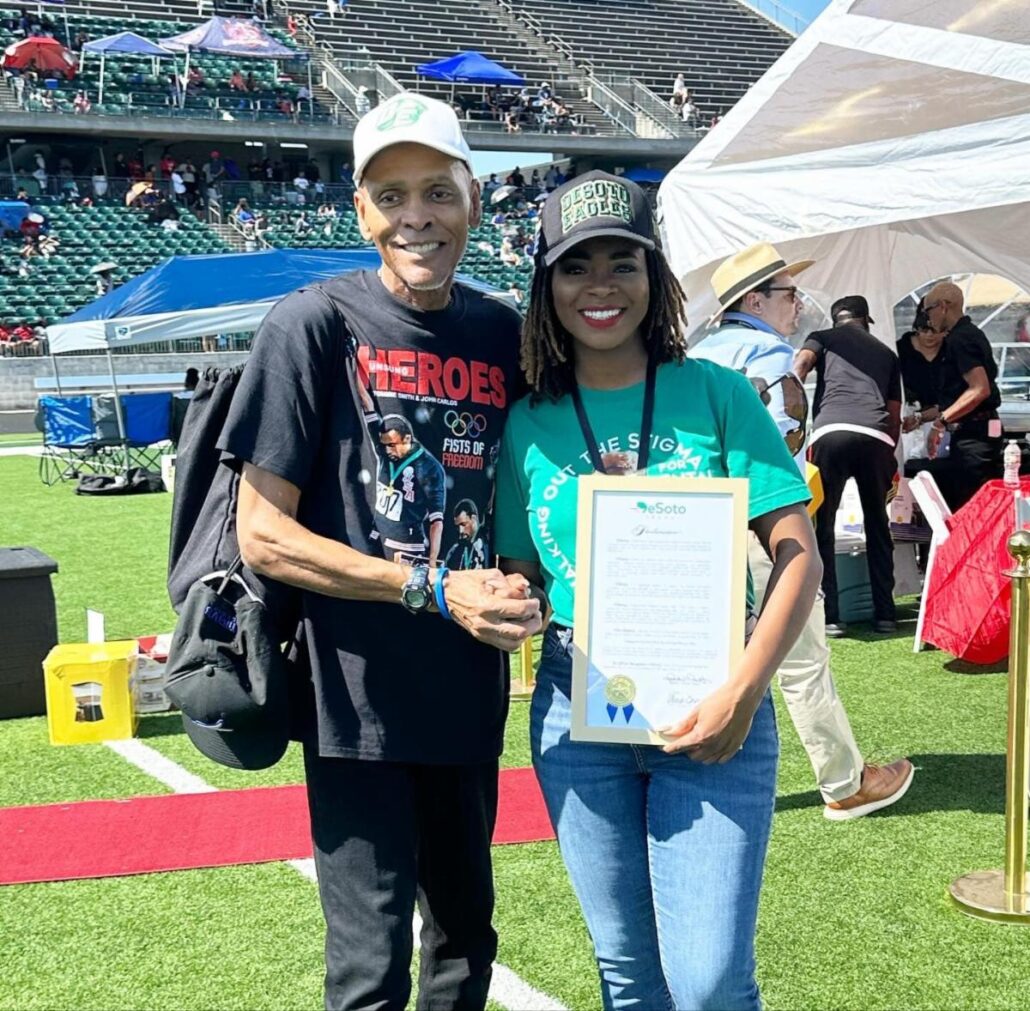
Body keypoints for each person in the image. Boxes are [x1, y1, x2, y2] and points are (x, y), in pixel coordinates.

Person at [221, 92, 540, 1011]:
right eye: (391, 195)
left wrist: (528, 579)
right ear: (361, 210)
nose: (416, 217)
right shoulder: (312, 324)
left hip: (468, 687)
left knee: (466, 942)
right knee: (368, 969)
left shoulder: (502, 334)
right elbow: (264, 534)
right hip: (354, 700)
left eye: (436, 191)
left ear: (473, 201)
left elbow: (522, 501)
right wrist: (435, 589)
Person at [494, 174, 821, 1009]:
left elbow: (798, 554)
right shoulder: (527, 420)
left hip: (715, 703)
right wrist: (510, 601)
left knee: (709, 981)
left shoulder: (717, 393)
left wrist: (746, 691)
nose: (599, 287)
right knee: (630, 976)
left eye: (623, 263)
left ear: (656, 278)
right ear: (546, 286)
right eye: (575, 267)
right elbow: (522, 569)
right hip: (578, 710)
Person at [693, 243, 915, 819]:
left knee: (711, 656)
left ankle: (699, 769)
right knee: (800, 657)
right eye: (789, 293)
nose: (798, 304)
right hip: (766, 520)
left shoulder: (694, 356)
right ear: (756, 300)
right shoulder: (770, 354)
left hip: (699, 520)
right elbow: (781, 442)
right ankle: (843, 783)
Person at [794, 295, 902, 636]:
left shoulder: (823, 338)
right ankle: (885, 615)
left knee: (822, 524)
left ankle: (831, 616)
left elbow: (801, 364)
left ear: (835, 319)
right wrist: (887, 453)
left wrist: (792, 407)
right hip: (876, 435)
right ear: (866, 320)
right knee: (877, 525)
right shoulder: (886, 353)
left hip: (831, 432)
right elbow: (895, 415)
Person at [917, 282, 1003, 509]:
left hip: (975, 436)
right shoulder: (969, 334)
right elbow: (960, 396)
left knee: (972, 504)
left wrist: (940, 423)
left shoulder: (960, 339)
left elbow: (978, 389)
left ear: (944, 307)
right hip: (978, 431)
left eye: (928, 310)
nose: (928, 318)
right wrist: (922, 418)